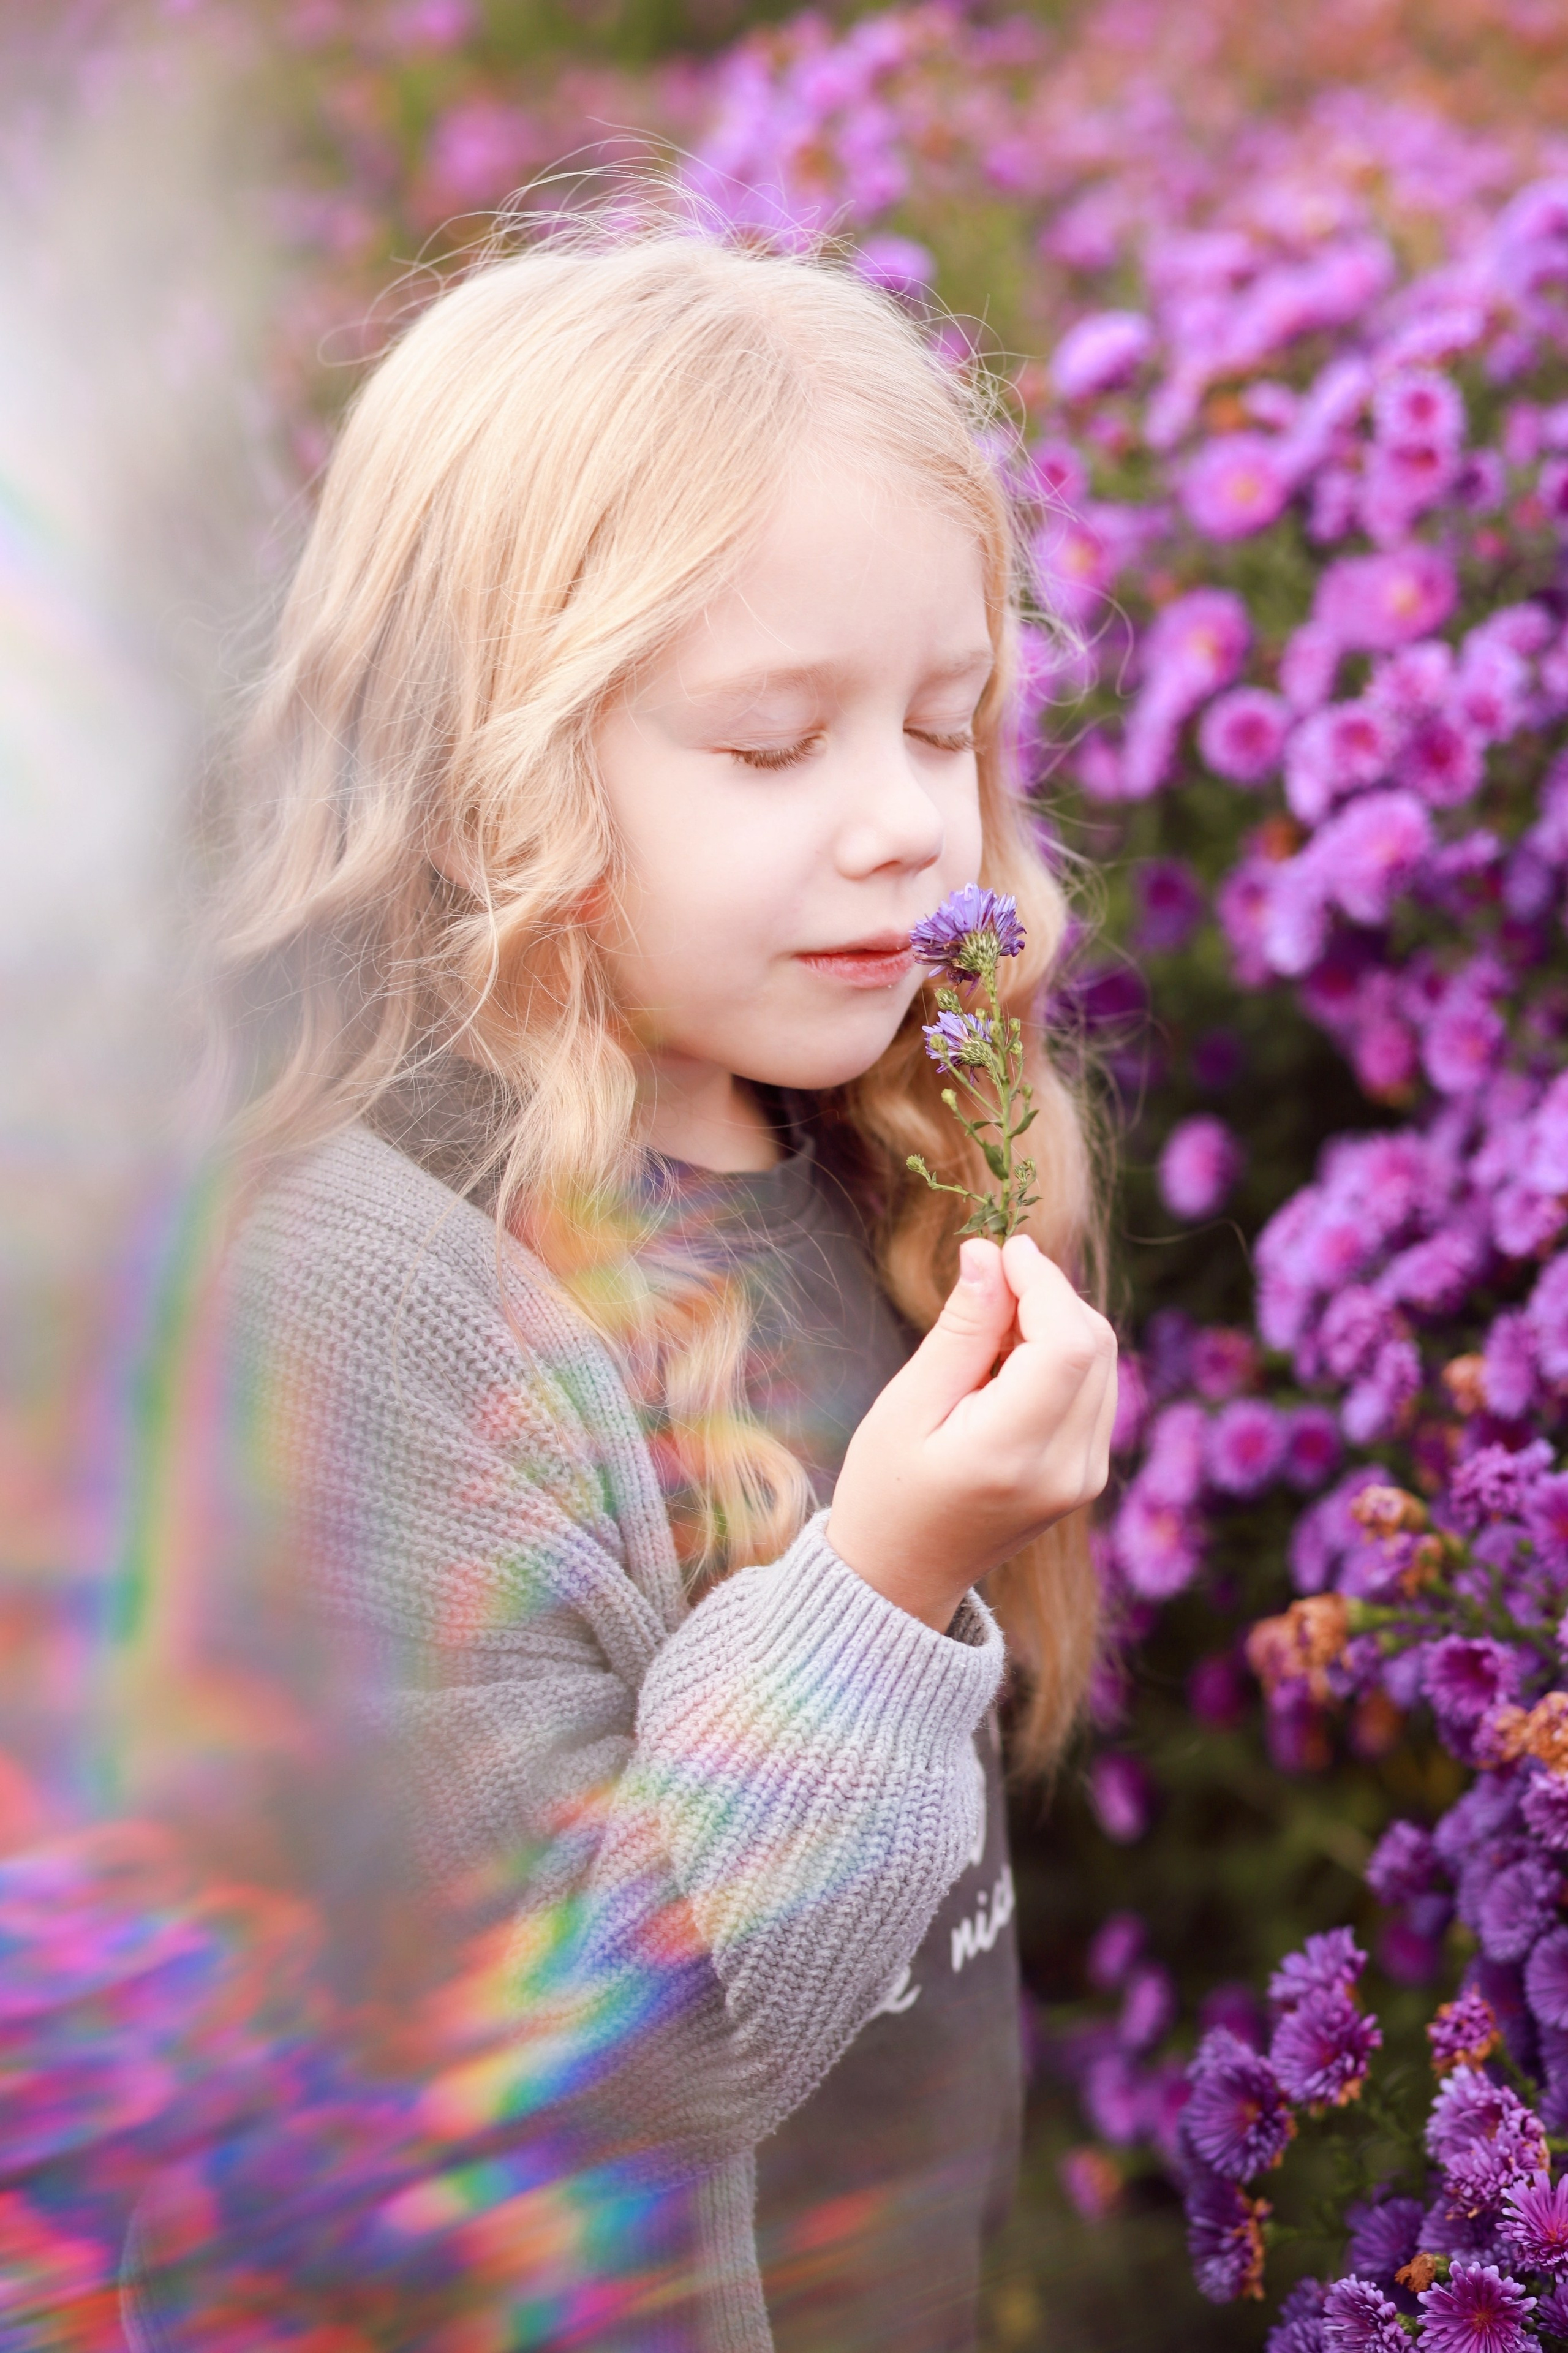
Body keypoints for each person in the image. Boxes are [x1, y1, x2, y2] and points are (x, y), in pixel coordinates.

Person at [113, 218, 1117, 2352]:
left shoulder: (867, 1155)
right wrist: (884, 1580)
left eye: (944, 725)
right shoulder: (365, 1312)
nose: (903, 824)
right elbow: (553, 2056)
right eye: (771, 745)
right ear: (482, 771)